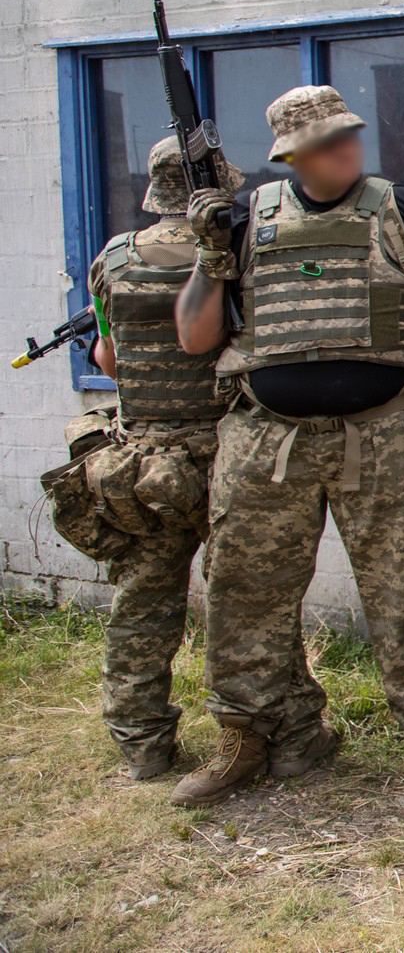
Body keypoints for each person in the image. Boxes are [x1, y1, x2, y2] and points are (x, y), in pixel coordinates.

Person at [172, 85, 404, 808]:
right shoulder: (247, 219)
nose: (345, 150)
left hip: (382, 432)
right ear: (292, 157)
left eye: (348, 135)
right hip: (264, 438)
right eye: (325, 144)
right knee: (245, 592)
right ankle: (255, 733)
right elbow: (194, 338)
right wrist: (209, 255)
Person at [66, 139, 244, 780]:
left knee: (142, 606)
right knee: (242, 604)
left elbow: (109, 363)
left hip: (144, 463)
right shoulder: (233, 255)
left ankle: (142, 746)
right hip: (229, 454)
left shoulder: (113, 258)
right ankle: (252, 736)